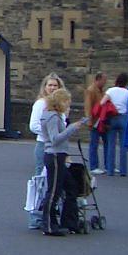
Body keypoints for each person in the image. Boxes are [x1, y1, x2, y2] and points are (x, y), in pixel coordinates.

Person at [38, 87, 86, 236]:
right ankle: (48, 225)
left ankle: (69, 222)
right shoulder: (52, 117)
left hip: (58, 155)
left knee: (71, 187)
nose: (68, 106)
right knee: (54, 191)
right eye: (67, 102)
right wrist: (71, 128)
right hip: (54, 155)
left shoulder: (54, 115)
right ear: (60, 102)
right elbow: (55, 139)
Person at [27, 74, 65, 229]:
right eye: (50, 85)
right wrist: (50, 134)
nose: (52, 88)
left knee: (54, 183)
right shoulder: (41, 104)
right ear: (45, 87)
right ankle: (35, 218)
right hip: (44, 145)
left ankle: (50, 216)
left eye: (55, 85)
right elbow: (33, 125)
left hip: (57, 147)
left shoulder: (60, 106)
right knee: (40, 182)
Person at [101, 72, 128, 177]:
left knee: (111, 144)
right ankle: (123, 170)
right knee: (123, 146)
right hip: (123, 117)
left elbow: (102, 103)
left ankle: (110, 170)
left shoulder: (111, 90)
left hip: (112, 117)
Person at [83, 72, 106, 173]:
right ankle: (94, 166)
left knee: (104, 142)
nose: (105, 82)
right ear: (98, 79)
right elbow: (88, 106)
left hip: (101, 120)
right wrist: (89, 120)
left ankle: (107, 165)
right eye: (104, 80)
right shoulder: (91, 90)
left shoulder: (101, 90)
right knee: (94, 144)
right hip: (95, 121)